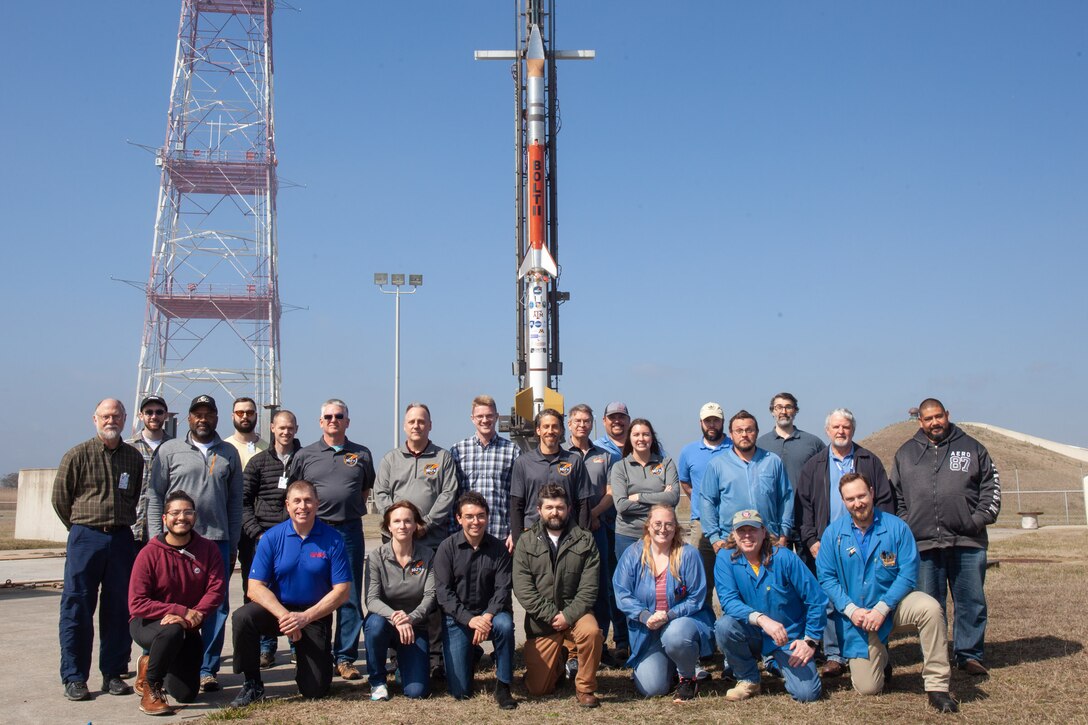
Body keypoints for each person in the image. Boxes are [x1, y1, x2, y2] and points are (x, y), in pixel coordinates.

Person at [816, 473, 959, 714]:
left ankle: (937, 686)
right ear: (843, 501)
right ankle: (882, 660)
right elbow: (826, 578)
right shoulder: (833, 534)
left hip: (895, 607)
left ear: (872, 493)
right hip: (860, 618)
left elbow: (908, 573)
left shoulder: (896, 527)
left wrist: (883, 608)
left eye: (861, 495)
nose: (857, 503)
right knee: (869, 687)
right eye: (850, 499)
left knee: (930, 608)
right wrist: (851, 610)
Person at [890, 398, 1001, 677]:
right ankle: (935, 655)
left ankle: (969, 655)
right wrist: (908, 526)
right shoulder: (905, 453)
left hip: (967, 542)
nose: (934, 422)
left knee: (970, 601)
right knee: (930, 606)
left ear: (947, 415)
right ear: (920, 421)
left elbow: (991, 488)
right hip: (924, 545)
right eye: (928, 419)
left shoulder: (973, 448)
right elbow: (897, 497)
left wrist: (975, 521)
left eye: (938, 416)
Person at [147, 394, 243, 693]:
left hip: (216, 541)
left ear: (217, 417)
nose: (203, 419)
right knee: (172, 604)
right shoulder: (169, 450)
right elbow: (155, 496)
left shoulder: (229, 452)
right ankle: (161, 664)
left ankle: (207, 668)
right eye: (197, 414)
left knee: (215, 607)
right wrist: (155, 539)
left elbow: (235, 503)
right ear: (188, 418)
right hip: (174, 543)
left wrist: (233, 542)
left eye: (209, 414)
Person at [53, 398, 144, 701]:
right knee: (77, 607)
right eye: (105, 416)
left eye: (116, 416)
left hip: (120, 539)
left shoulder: (134, 458)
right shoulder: (76, 455)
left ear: (125, 419)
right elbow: (60, 499)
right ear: (95, 419)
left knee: (119, 608)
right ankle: (75, 676)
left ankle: (114, 672)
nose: (111, 421)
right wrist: (81, 528)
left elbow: (134, 497)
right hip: (85, 537)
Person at [230, 480, 352, 706]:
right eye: (296, 501)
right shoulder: (271, 538)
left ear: (317, 504)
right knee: (242, 618)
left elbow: (342, 591)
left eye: (308, 500)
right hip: (279, 611)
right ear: (287, 505)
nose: (302, 506)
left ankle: (309, 666)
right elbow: (254, 587)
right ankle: (252, 684)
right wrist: (285, 616)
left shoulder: (332, 539)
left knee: (315, 689)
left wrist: (305, 617)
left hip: (313, 614)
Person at [797, 407, 895, 677]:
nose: (841, 431)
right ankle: (834, 655)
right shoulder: (814, 465)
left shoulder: (868, 461)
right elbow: (804, 507)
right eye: (836, 427)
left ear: (853, 430)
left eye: (846, 427)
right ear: (827, 431)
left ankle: (873, 650)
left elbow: (885, 500)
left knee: (866, 593)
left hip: (866, 538)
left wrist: (881, 536)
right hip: (828, 542)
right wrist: (811, 540)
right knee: (830, 598)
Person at [290, 399, 376, 681]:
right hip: (315, 532)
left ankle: (346, 658)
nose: (333, 420)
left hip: (348, 532)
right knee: (313, 592)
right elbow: (294, 491)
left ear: (347, 422)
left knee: (348, 595)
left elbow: (364, 490)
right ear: (320, 421)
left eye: (339, 416)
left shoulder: (362, 453)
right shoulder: (305, 455)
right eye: (328, 416)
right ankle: (314, 652)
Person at [128, 490, 226, 715]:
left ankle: (150, 663)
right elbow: (137, 603)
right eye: (175, 513)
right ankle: (151, 689)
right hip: (148, 623)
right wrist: (181, 611)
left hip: (188, 626)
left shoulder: (208, 549)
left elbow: (216, 590)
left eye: (187, 512)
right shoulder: (149, 553)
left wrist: (195, 615)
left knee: (186, 694)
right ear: (165, 518)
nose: (182, 517)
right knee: (171, 630)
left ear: (195, 516)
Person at [713, 509, 825, 703]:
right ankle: (748, 678)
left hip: (787, 637)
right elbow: (729, 601)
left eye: (753, 530)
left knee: (807, 694)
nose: (747, 536)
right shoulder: (725, 558)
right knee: (724, 626)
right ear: (734, 534)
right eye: (742, 531)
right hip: (752, 632)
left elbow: (816, 599)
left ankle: (774, 662)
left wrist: (810, 641)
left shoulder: (784, 558)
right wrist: (762, 620)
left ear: (763, 532)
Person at [512, 484, 603, 708]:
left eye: (560, 507)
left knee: (592, 632)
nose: (555, 512)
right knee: (538, 689)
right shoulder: (525, 541)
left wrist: (568, 616)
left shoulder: (585, 540)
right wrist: (553, 615)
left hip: (576, 614)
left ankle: (585, 688)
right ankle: (559, 663)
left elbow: (589, 588)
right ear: (539, 510)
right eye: (549, 507)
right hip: (542, 622)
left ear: (569, 509)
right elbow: (523, 588)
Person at [612, 504, 714, 701]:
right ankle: (670, 668)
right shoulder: (633, 554)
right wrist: (645, 616)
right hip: (648, 631)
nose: (663, 529)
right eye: (657, 523)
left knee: (675, 635)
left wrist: (669, 615)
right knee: (653, 688)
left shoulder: (689, 554)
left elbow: (696, 597)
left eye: (669, 524)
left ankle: (687, 677)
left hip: (681, 625)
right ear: (648, 526)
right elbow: (621, 593)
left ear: (676, 527)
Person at [434, 492, 517, 709]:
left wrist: (486, 616)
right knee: (460, 693)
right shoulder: (446, 548)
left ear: (488, 517)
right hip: (458, 619)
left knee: (505, 625)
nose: (475, 522)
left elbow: (502, 589)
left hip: (492, 614)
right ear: (459, 518)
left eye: (480, 516)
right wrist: (470, 620)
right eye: (469, 516)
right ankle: (472, 653)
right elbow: (443, 593)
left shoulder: (499, 549)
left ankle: (504, 685)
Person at [240, 409, 300, 668]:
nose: (286, 432)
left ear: (296, 429)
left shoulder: (304, 459)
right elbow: (243, 502)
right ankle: (267, 647)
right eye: (281, 427)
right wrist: (258, 533)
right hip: (264, 538)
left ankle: (298, 644)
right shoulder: (258, 462)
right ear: (272, 428)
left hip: (295, 539)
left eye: (290, 427)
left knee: (296, 592)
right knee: (263, 593)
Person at [363, 501, 436, 701]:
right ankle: (377, 681)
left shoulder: (428, 555)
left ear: (415, 525)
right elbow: (372, 599)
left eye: (407, 521)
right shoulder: (376, 557)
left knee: (416, 692)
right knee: (374, 625)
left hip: (414, 626)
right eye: (396, 521)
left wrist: (410, 618)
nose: (402, 526)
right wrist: (396, 617)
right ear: (388, 526)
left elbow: (430, 596)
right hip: (385, 622)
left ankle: (401, 669)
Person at [566, 404, 617, 663]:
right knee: (571, 587)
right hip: (568, 532)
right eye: (577, 420)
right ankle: (573, 647)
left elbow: (611, 492)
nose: (582, 425)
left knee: (601, 588)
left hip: (599, 529)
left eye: (586, 421)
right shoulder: (562, 455)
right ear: (569, 424)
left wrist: (593, 515)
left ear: (592, 423)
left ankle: (600, 643)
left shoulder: (605, 456)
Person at [701, 410, 793, 553]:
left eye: (749, 430)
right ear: (731, 434)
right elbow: (707, 501)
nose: (744, 434)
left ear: (756, 432)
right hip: (730, 541)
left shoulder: (772, 461)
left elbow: (786, 498)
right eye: (739, 431)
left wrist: (783, 534)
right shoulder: (717, 465)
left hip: (769, 540)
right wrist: (715, 539)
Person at [374, 403, 459, 551]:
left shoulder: (443, 457)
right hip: (396, 540)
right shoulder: (390, 459)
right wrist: (399, 522)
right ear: (404, 426)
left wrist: (425, 524)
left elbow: (448, 494)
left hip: (431, 540)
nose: (416, 426)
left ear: (430, 425)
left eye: (421, 421)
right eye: (411, 422)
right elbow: (381, 493)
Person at [677, 401, 731, 611]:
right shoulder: (689, 451)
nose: (712, 424)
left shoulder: (733, 447)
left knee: (731, 583)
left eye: (715, 420)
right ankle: (706, 632)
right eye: (708, 420)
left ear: (722, 422)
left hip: (731, 524)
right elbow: (685, 482)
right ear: (701, 422)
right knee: (702, 582)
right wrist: (701, 502)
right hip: (701, 525)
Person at [450, 394, 520, 551]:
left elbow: (518, 497)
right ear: (472, 418)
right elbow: (452, 495)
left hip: (501, 536)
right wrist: (453, 531)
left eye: (489, 416)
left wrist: (514, 533)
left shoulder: (512, 451)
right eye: (480, 416)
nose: (485, 420)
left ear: (496, 417)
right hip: (466, 536)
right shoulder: (458, 451)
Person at [510, 408, 591, 543]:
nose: (550, 431)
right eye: (546, 427)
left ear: (561, 430)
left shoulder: (574, 461)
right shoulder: (523, 463)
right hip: (532, 535)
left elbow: (583, 503)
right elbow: (516, 505)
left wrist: (583, 539)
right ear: (538, 430)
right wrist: (518, 541)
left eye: (555, 427)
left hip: (568, 535)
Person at [592, 400, 632, 659]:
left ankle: (628, 639)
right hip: (605, 525)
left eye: (621, 417)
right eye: (612, 417)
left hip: (632, 526)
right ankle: (612, 640)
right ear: (604, 421)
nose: (617, 421)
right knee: (606, 585)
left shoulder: (641, 442)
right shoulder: (598, 449)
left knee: (629, 582)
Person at [611, 418, 680, 562]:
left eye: (645, 434)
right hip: (628, 535)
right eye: (636, 435)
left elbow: (673, 498)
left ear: (652, 437)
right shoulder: (620, 467)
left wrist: (639, 497)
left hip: (662, 534)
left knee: (660, 580)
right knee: (629, 581)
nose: (641, 439)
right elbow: (621, 506)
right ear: (629, 438)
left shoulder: (666, 463)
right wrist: (661, 499)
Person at [756, 392, 826, 493]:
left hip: (804, 506)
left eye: (788, 407)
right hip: (771, 506)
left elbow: (826, 473)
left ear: (795, 411)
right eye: (779, 407)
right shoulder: (760, 444)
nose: (783, 412)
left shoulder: (813, 442)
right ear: (772, 411)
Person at [129, 394, 173, 549]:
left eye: (159, 412)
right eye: (149, 412)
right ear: (141, 415)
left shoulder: (176, 448)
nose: (154, 416)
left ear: (166, 415)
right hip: (133, 530)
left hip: (166, 532)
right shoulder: (128, 448)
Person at [225, 397, 268, 470]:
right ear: (233, 416)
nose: (245, 417)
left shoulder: (267, 449)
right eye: (240, 413)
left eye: (249, 413)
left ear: (256, 416)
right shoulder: (223, 448)